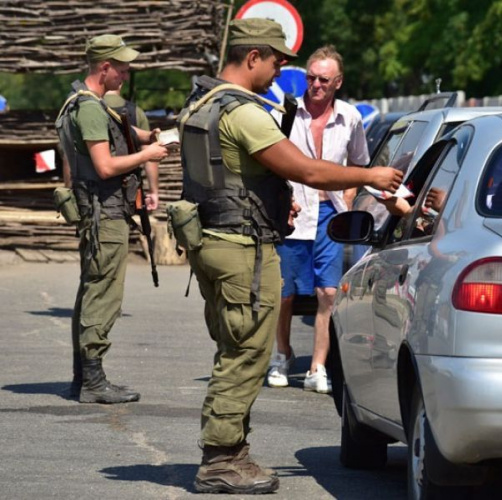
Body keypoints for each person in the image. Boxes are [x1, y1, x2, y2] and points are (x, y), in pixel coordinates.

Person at [176, 18, 402, 495]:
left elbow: (224, 177)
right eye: (276, 60)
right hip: (241, 249)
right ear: (252, 56)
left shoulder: (201, 102)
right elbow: (307, 171)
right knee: (247, 355)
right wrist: (371, 175)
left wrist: (268, 197)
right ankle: (220, 459)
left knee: (235, 349)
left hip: (214, 238)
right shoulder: (244, 111)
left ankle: (232, 452)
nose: (281, 71)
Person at [55, 34, 169, 404]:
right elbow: (105, 166)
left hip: (101, 213)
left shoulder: (91, 105)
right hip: (106, 215)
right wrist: (147, 153)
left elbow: (115, 132)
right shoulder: (89, 107)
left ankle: (83, 378)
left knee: (92, 290)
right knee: (102, 294)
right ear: (104, 68)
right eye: (121, 68)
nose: (126, 73)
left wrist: (146, 135)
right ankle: (92, 380)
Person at [268, 45, 369, 393]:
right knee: (283, 293)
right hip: (294, 211)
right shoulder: (286, 113)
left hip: (331, 213)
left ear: (337, 82)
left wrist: (350, 194)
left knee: (328, 292)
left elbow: (358, 162)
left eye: (323, 79)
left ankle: (317, 367)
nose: (315, 85)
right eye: (311, 78)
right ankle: (281, 354)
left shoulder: (350, 117)